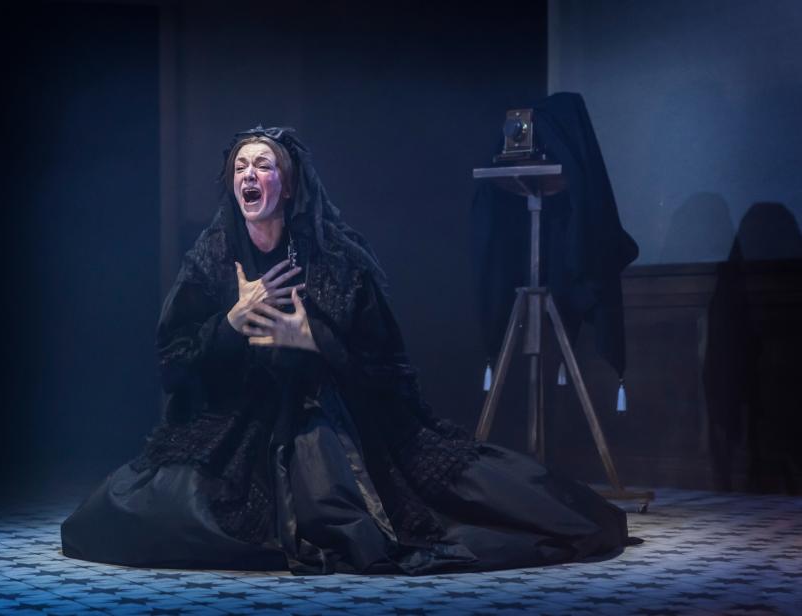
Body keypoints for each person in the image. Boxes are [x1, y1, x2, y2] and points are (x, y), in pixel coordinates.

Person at [61, 126, 639, 575]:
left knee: (353, 513)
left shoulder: (337, 259)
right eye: (240, 166)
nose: (249, 174)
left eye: (263, 164)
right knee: (117, 518)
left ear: (289, 184)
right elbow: (174, 362)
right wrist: (231, 324)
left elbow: (389, 370)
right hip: (236, 427)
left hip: (330, 422)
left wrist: (312, 341)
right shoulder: (212, 256)